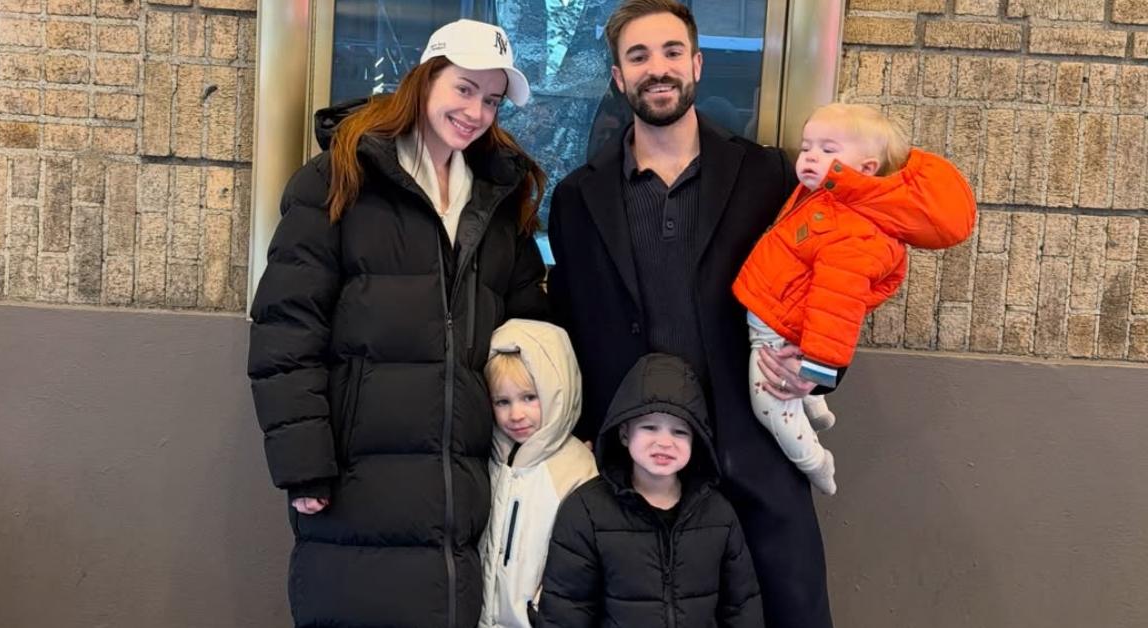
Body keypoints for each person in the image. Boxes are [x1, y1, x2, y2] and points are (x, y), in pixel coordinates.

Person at [247, 19, 549, 628]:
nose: (476, 112)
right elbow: (286, 327)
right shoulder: (340, 178)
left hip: (462, 477)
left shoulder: (495, 198)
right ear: (426, 77)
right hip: (356, 473)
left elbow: (528, 332)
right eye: (464, 89)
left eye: (491, 99)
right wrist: (304, 459)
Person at [545, 0, 835, 625]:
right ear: (618, 78)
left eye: (672, 52)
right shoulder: (577, 197)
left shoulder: (767, 175)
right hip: (635, 469)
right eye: (638, 56)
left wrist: (818, 369)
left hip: (751, 450)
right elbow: (569, 321)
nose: (658, 69)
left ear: (697, 64)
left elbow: (832, 282)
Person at [733, 103, 976, 496]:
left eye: (829, 149)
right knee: (794, 388)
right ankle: (815, 409)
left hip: (779, 331)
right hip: (778, 314)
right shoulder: (831, 198)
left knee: (770, 406)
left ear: (866, 168)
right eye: (807, 145)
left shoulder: (854, 231)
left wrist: (818, 375)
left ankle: (816, 462)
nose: (811, 156)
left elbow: (837, 309)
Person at [537, 353, 763, 627]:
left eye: (680, 431)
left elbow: (741, 607)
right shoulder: (585, 512)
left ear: (696, 439)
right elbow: (566, 611)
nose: (664, 442)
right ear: (624, 432)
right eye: (650, 427)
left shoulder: (718, 513)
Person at [478, 319, 597, 628]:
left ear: (557, 392)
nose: (516, 414)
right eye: (502, 402)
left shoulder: (576, 467)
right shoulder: (488, 457)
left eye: (529, 397)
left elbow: (582, 561)